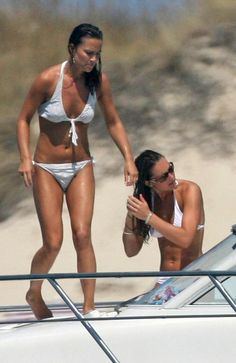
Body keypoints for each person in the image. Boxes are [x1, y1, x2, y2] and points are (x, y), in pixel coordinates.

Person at [17, 23, 137, 320]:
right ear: (72, 49)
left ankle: (89, 306)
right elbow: (23, 119)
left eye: (97, 54)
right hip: (46, 167)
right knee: (53, 242)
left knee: (83, 235)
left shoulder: (98, 83)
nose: (93, 59)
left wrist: (128, 157)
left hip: (81, 165)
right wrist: (24, 159)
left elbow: (114, 122)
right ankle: (34, 292)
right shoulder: (48, 79)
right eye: (88, 53)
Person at [123, 150, 204, 286]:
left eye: (171, 169)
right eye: (164, 177)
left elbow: (186, 239)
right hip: (165, 279)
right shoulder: (147, 201)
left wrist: (148, 216)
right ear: (149, 183)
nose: (171, 177)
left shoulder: (189, 190)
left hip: (193, 276)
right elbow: (131, 251)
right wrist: (132, 215)